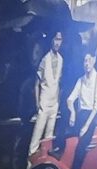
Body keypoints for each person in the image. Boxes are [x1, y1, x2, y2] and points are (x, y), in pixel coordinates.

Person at [55, 51, 97, 169]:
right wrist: (72, 112)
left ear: (94, 61)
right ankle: (58, 154)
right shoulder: (81, 80)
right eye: (85, 61)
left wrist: (86, 126)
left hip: (91, 117)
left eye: (89, 60)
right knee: (62, 129)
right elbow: (70, 99)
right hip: (80, 115)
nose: (87, 64)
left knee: (81, 147)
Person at [28, 29, 64, 161]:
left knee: (49, 137)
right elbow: (36, 84)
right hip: (44, 103)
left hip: (54, 104)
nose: (57, 43)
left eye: (60, 40)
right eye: (56, 39)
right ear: (51, 40)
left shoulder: (61, 60)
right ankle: (30, 162)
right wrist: (38, 104)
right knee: (36, 136)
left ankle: (45, 162)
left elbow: (58, 82)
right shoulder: (44, 60)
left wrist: (58, 101)